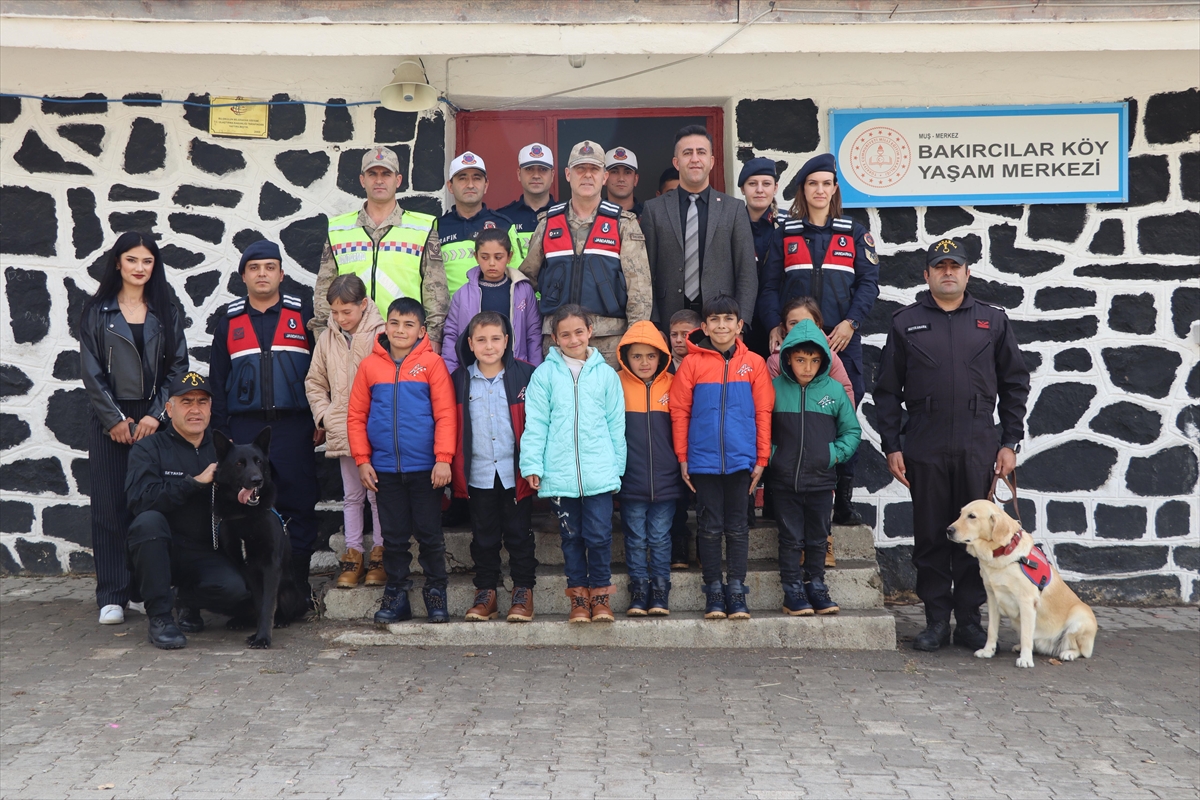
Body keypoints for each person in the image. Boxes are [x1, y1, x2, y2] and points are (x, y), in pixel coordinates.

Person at [873, 238, 1030, 652]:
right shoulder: (906, 323)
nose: (948, 272)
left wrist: (1009, 441)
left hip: (978, 442)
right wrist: (892, 445)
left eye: (955, 266)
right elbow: (887, 391)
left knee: (977, 538)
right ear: (926, 275)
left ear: (968, 273)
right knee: (930, 536)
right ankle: (936, 622)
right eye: (939, 266)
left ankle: (970, 624)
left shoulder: (991, 321)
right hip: (925, 442)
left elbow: (1015, 383)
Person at [756, 153, 879, 526]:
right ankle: (779, 497)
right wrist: (774, 325)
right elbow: (769, 287)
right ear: (802, 190)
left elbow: (868, 284)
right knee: (785, 418)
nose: (820, 190)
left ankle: (842, 499)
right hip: (792, 344)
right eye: (812, 184)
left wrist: (851, 324)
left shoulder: (855, 233)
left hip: (841, 342)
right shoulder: (786, 235)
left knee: (843, 417)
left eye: (826, 183)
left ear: (835, 189)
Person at [80, 232, 189, 625]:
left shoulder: (166, 308)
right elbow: (91, 373)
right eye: (132, 260)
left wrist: (155, 416)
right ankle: (112, 593)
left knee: (150, 503)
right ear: (117, 263)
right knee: (110, 505)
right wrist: (115, 419)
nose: (140, 268)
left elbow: (179, 367)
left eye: (147, 261)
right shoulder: (97, 311)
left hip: (153, 418)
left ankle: (149, 590)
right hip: (111, 416)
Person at [209, 239, 320, 600]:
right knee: (247, 509)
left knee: (299, 503)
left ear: (281, 274)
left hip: (294, 427)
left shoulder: (303, 314)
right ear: (243, 276)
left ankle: (297, 587)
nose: (262, 274)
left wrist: (320, 418)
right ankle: (251, 591)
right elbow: (218, 379)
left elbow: (323, 370)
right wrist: (223, 432)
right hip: (245, 431)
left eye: (269, 267)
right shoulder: (228, 320)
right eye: (254, 268)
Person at [348, 298, 457, 625]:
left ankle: (436, 591)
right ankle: (396, 595)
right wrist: (362, 460)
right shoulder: (370, 366)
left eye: (409, 324)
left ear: (421, 330)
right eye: (394, 323)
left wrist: (443, 459)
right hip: (384, 470)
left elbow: (446, 414)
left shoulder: (433, 364)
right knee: (393, 537)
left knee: (429, 534)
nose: (400, 330)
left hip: (426, 469)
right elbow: (356, 416)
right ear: (386, 327)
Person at [125, 372, 250, 649]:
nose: (195, 409)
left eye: (202, 402)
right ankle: (160, 618)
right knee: (148, 522)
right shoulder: (148, 448)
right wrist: (193, 483)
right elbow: (140, 501)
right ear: (169, 409)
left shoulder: (224, 451)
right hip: (160, 548)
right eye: (186, 402)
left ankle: (187, 600)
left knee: (236, 592)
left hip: (204, 551)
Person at [669, 294, 773, 621]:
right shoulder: (692, 364)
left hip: (742, 460)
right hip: (703, 460)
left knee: (738, 527)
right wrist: (683, 456)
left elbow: (763, 412)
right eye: (714, 320)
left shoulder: (754, 364)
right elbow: (679, 411)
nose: (722, 325)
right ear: (705, 326)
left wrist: (761, 458)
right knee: (710, 526)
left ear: (739, 325)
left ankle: (737, 589)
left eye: (728, 319)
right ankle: (713, 588)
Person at [520, 305, 626, 624]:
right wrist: (532, 465)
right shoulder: (545, 375)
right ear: (554, 338)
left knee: (599, 536)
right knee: (572, 537)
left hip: (599, 474)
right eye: (564, 334)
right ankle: (579, 598)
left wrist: (615, 468)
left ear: (590, 331)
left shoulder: (606, 374)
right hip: (560, 474)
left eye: (579, 331)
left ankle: (601, 597)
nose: (573, 338)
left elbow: (615, 425)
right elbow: (535, 423)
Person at [518, 140, 653, 368]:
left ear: (604, 177)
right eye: (581, 169)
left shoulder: (623, 224)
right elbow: (526, 282)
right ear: (569, 174)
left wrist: (635, 341)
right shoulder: (549, 223)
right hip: (557, 341)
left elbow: (639, 291)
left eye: (594, 169)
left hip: (609, 341)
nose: (587, 176)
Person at [450, 312, 539, 623]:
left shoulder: (526, 376)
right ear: (471, 344)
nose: (489, 346)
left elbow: (539, 424)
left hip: (517, 473)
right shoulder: (459, 381)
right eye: (482, 340)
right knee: (483, 536)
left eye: (496, 338)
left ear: (507, 341)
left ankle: (522, 592)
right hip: (479, 473)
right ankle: (486, 593)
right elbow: (451, 426)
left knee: (519, 534)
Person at [770, 319, 862, 617]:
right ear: (787, 358)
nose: (807, 367)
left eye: (814, 360)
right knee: (790, 538)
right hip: (784, 481)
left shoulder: (833, 392)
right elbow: (759, 429)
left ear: (823, 360)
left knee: (818, 537)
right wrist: (775, 456)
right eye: (800, 360)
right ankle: (793, 590)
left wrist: (832, 454)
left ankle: (816, 584)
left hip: (822, 480)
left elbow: (851, 431)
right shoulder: (773, 389)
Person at [311, 146, 447, 347]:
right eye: (372, 174)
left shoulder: (422, 228)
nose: (379, 180)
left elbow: (436, 292)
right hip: (350, 340)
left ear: (398, 180)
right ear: (362, 180)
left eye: (386, 174)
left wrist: (434, 338)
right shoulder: (339, 230)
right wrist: (323, 335)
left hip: (404, 342)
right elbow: (324, 289)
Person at [304, 275, 387, 589]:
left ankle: (380, 555)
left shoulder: (381, 334)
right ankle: (353, 555)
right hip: (342, 429)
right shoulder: (327, 338)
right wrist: (325, 415)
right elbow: (315, 382)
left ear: (363, 305)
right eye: (335, 313)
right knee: (352, 496)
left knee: (377, 494)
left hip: (374, 429)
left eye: (346, 312)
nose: (340, 319)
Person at [641, 125, 759, 336]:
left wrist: (740, 325)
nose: (695, 159)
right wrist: (654, 324)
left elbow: (747, 273)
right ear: (676, 162)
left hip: (721, 322)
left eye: (701, 152)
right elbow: (646, 274)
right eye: (687, 153)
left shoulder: (733, 209)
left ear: (712, 161)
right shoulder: (654, 209)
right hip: (669, 323)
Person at [616, 321, 684, 616]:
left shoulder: (674, 383)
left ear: (662, 356)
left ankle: (659, 589)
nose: (644, 363)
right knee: (635, 538)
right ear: (625, 357)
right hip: (631, 480)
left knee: (659, 537)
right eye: (637, 356)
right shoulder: (615, 383)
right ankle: (639, 588)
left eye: (651, 356)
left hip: (667, 480)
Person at [441, 228, 542, 375]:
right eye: (485, 257)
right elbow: (451, 337)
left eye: (498, 257)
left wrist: (534, 373)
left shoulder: (523, 291)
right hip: (473, 373)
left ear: (509, 257)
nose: (492, 263)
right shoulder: (462, 295)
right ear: (476, 257)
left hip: (516, 372)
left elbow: (533, 334)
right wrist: (452, 374)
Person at [438, 151, 520, 297]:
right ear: (450, 186)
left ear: (486, 185)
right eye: (462, 178)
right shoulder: (437, 227)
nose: (470, 185)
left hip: (496, 313)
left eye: (477, 178)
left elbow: (517, 276)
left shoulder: (504, 225)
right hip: (451, 315)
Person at [666, 308, 701, 568]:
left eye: (686, 334)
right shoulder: (661, 366)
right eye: (674, 334)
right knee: (675, 499)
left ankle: (703, 547)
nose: (679, 339)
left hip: (702, 442)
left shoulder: (705, 362)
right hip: (669, 443)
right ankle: (678, 545)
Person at [738, 157, 782, 357]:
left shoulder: (787, 225)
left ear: (775, 188)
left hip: (778, 318)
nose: (759, 190)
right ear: (742, 189)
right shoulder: (731, 224)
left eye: (766, 184)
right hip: (740, 318)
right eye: (752, 184)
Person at [498, 142, 556, 262]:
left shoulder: (565, 215)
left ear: (552, 175)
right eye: (529, 169)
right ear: (519, 174)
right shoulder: (502, 218)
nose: (536, 175)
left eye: (543, 169)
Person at [605, 146, 643, 218]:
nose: (621, 179)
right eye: (615, 172)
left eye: (627, 172)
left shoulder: (648, 214)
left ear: (636, 179)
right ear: (604, 178)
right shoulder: (593, 214)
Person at [667, 308, 701, 375]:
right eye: (674, 334)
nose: (678, 340)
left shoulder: (707, 364)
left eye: (685, 335)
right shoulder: (663, 367)